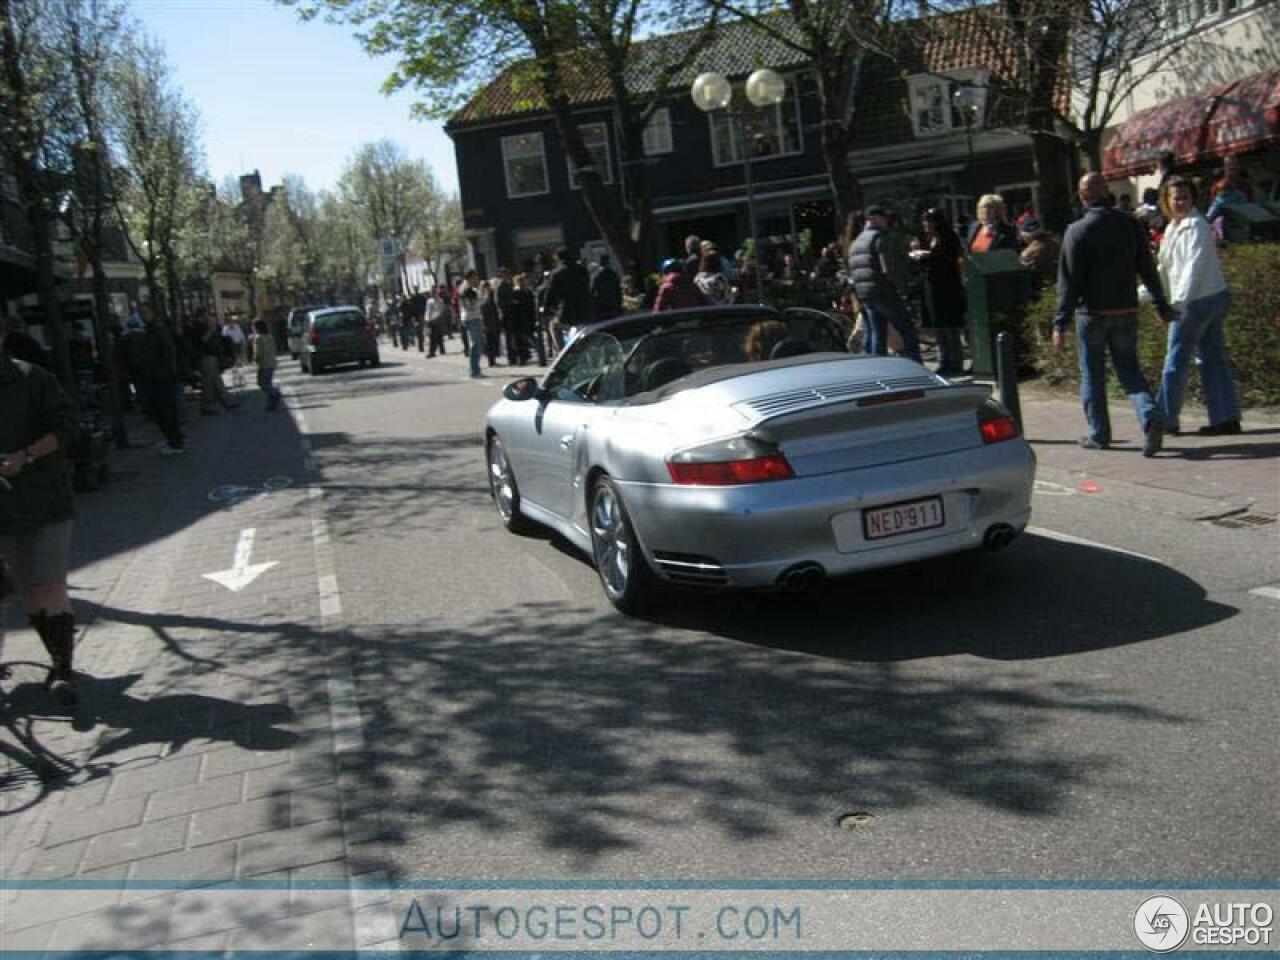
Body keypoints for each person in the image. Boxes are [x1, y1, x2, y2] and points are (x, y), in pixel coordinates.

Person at [1053, 172, 1173, 457]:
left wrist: (1060, 322)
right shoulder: (1130, 224)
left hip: (1091, 313)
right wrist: (1160, 305)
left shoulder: (1077, 230)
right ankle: (1149, 414)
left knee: (1092, 374)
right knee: (1130, 370)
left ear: (1083, 196)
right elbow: (1147, 267)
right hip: (1126, 309)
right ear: (1106, 191)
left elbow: (1068, 281)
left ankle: (1099, 434)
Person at [1, 337, 80, 705]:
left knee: (49, 585)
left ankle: (64, 671)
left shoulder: (33, 379)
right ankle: (56, 658)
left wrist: (26, 456)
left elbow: (65, 426)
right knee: (29, 594)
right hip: (4, 510)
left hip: (44, 499)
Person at [1154, 176, 1241, 437]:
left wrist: (1176, 306)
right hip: (1206, 298)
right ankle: (1226, 418)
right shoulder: (1173, 228)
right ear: (1166, 201)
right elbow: (1165, 270)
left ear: (1193, 199)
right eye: (1175, 198)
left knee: (1175, 360)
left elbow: (1193, 269)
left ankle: (1165, 420)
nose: (1180, 202)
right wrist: (1144, 294)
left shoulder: (1196, 226)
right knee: (1212, 359)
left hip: (1198, 302)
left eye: (1185, 197)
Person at [847, 204, 922, 362]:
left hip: (866, 295)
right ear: (876, 219)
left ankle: (879, 369)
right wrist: (902, 287)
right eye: (884, 218)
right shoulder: (880, 238)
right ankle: (916, 365)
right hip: (884, 291)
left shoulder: (855, 243)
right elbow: (889, 268)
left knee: (877, 333)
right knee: (907, 330)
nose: (887, 221)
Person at [916, 208, 967, 376]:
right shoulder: (928, 239)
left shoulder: (948, 238)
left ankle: (955, 360)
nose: (925, 225)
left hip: (947, 287)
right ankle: (944, 359)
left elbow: (947, 261)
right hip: (933, 288)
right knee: (939, 327)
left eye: (928, 221)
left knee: (950, 326)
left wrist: (928, 257)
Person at [542, 247, 594, 351]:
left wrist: (545, 307)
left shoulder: (557, 273)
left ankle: (563, 352)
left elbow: (551, 293)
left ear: (558, 258)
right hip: (585, 308)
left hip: (567, 310)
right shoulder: (582, 269)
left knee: (554, 326)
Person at [198, 313, 237, 414]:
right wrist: (211, 330)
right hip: (207, 358)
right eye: (212, 321)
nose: (214, 323)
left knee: (217, 381)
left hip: (214, 358)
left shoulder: (215, 331)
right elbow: (202, 341)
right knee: (208, 383)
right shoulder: (203, 329)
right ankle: (208, 406)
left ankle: (226, 401)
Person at [511, 273, 542, 365]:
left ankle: (536, 354)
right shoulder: (515, 293)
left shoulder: (528, 292)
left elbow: (532, 306)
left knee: (530, 338)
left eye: (522, 282)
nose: (521, 283)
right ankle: (523, 357)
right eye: (519, 282)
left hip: (527, 318)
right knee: (521, 340)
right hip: (519, 319)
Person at [458, 270, 485, 378]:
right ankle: (474, 370)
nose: (477, 279)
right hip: (472, 318)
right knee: (475, 344)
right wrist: (484, 297)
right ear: (470, 278)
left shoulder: (469, 288)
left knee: (477, 343)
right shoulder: (466, 289)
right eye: (475, 277)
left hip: (472, 317)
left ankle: (475, 369)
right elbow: (471, 305)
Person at [252, 319, 282, 411]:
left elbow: (258, 353)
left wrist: (255, 360)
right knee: (267, 382)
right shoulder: (269, 336)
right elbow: (274, 348)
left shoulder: (258, 338)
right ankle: (271, 403)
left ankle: (274, 393)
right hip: (272, 362)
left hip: (264, 364)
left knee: (262, 383)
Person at [590, 254, 623, 321]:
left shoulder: (597, 275)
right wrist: (619, 303)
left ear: (601, 263)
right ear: (608, 262)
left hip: (602, 305)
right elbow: (618, 290)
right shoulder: (613, 275)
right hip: (613, 304)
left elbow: (593, 291)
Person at [480, 280, 501, 367]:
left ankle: (494, 359)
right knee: (488, 341)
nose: (487, 288)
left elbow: (496, 307)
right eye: (485, 287)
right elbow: (480, 311)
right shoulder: (481, 298)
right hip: (486, 321)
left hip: (493, 321)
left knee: (494, 340)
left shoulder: (492, 296)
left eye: (488, 286)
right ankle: (491, 361)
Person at [426, 286, 449, 357]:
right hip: (430, 320)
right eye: (431, 292)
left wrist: (436, 317)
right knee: (433, 336)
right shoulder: (429, 301)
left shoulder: (440, 300)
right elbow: (427, 311)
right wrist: (427, 319)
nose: (432, 293)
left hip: (437, 320)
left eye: (434, 292)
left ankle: (434, 351)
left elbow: (441, 310)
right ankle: (435, 351)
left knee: (437, 336)